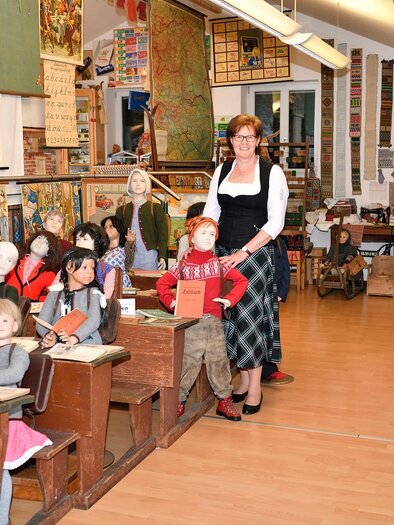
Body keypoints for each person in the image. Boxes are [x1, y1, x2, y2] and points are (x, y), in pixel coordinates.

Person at [203, 114, 289, 414]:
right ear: (230, 140)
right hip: (223, 253)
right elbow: (211, 212)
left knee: (249, 320)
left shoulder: (271, 172)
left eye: (250, 137)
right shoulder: (222, 170)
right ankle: (240, 380)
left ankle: (254, 388)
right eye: (238, 136)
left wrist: (244, 252)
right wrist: (202, 246)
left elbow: (276, 222)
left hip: (254, 254)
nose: (244, 142)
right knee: (229, 320)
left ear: (258, 141)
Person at [156, 216, 248, 420]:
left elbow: (242, 281)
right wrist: (171, 302)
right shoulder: (183, 265)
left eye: (213, 234)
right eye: (203, 233)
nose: (209, 237)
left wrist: (229, 300)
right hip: (191, 322)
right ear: (192, 237)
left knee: (219, 361)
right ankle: (178, 401)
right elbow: (162, 284)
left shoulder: (219, 264)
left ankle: (224, 401)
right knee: (188, 361)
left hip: (214, 321)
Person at [0, 299, 52, 525]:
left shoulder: (17, 352)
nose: (0, 324)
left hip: (7, 420)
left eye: (4, 320)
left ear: (15, 325)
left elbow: (14, 375)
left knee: (1, 470)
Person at [37, 247, 104, 348]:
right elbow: (42, 322)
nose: (90, 272)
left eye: (92, 268)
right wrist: (50, 337)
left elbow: (94, 320)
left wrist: (74, 337)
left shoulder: (93, 293)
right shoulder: (53, 295)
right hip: (58, 346)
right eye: (84, 267)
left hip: (87, 345)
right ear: (69, 267)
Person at [115, 168, 168, 271]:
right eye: (134, 181)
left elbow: (163, 234)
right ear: (129, 185)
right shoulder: (122, 210)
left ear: (146, 184)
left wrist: (162, 256)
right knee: (128, 285)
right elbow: (117, 236)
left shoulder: (156, 208)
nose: (138, 184)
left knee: (148, 284)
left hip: (149, 257)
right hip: (128, 257)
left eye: (142, 181)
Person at [6, 231, 60, 302]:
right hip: (5, 306)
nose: (40, 242)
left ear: (49, 253)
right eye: (39, 238)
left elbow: (55, 295)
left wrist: (39, 301)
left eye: (46, 243)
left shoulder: (48, 273)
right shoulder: (14, 260)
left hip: (30, 310)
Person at [72, 222, 116, 299]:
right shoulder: (69, 265)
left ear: (97, 242)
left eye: (85, 239)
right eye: (77, 239)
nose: (80, 243)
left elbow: (106, 296)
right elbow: (55, 288)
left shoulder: (107, 269)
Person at [100, 215, 134, 289]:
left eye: (111, 226)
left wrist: (130, 243)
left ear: (118, 228)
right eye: (105, 227)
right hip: (105, 285)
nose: (107, 229)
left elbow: (128, 263)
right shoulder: (101, 250)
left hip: (121, 285)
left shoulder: (123, 249)